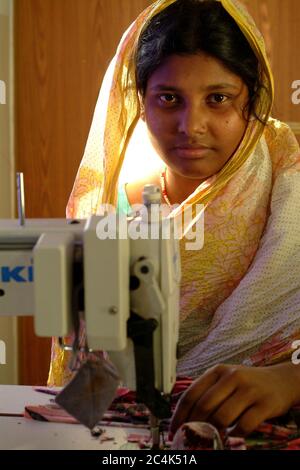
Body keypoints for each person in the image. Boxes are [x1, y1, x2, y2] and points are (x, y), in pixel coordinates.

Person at [48, 0, 300, 436]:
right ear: (139, 103)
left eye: (218, 99)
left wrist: (290, 379)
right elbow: (88, 384)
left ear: (252, 98)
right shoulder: (116, 212)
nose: (191, 124)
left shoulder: (291, 193)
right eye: (168, 99)